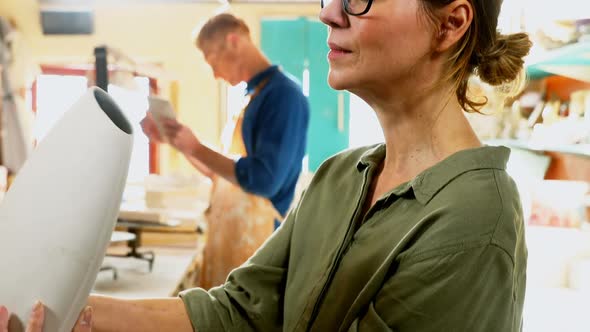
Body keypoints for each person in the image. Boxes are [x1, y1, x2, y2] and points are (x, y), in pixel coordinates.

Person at [4, 0, 532, 330]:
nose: (328, 13)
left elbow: (258, 179)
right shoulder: (339, 178)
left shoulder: (472, 220)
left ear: (451, 24)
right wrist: (60, 312)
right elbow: (240, 311)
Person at [141, 13, 310, 289]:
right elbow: (222, 176)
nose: (215, 74)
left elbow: (265, 180)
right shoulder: (249, 97)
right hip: (231, 244)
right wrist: (177, 142)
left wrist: (196, 146)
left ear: (233, 41)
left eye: (211, 60)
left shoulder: (282, 96)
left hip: (258, 248)